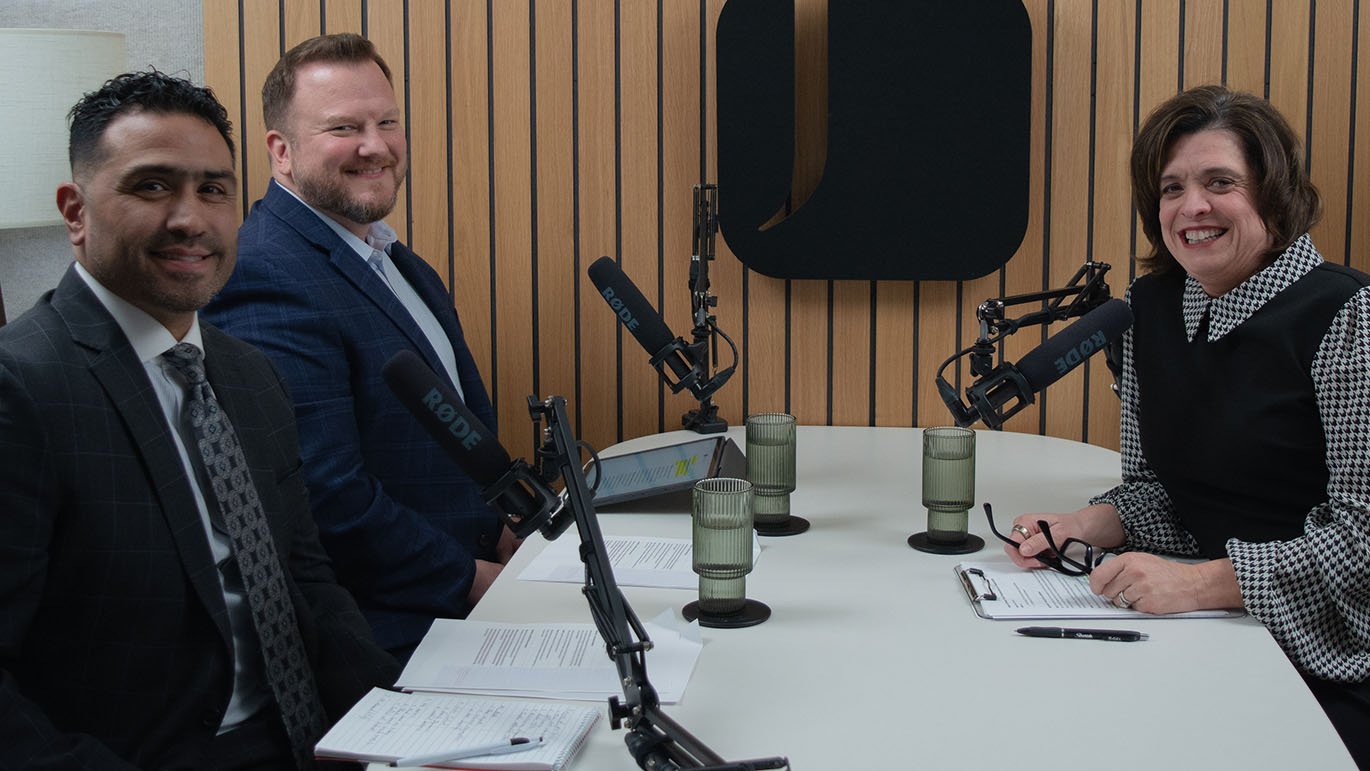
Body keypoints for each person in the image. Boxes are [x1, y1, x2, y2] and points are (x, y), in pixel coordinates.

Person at [0, 71, 399, 770]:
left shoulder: (249, 374)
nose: (190, 219)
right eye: (152, 186)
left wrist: (397, 723)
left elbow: (307, 579)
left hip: (308, 738)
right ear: (75, 211)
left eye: (213, 190)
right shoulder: (22, 387)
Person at [1001, 85, 1370, 766]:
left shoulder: (1349, 316)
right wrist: (1087, 524)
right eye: (1172, 188)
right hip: (1202, 630)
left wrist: (1199, 585)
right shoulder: (1151, 308)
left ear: (1274, 193)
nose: (1192, 207)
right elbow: (1163, 489)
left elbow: (1364, 543)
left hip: (1328, 663)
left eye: (1220, 182)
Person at [203, 33, 515, 664]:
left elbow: (457, 438)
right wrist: (477, 581)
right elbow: (326, 496)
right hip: (396, 636)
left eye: (387, 122)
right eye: (344, 127)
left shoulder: (393, 258)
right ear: (281, 151)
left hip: (475, 594)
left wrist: (506, 527)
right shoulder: (262, 273)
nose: (375, 146)